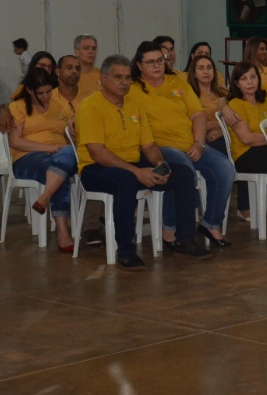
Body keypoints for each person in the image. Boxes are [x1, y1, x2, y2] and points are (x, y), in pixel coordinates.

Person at [75, 54, 209, 270]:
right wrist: (137, 173)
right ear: (103, 78)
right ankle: (126, 251)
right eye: (118, 77)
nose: (124, 82)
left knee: (183, 173)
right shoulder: (90, 106)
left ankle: (185, 239)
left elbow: (149, 146)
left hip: (131, 164)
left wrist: (159, 165)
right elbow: (98, 153)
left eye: (128, 77)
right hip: (95, 169)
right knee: (126, 181)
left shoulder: (134, 104)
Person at [129, 42, 235, 249]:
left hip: (191, 143)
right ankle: (170, 230)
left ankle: (211, 224)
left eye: (160, 60)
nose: (157, 65)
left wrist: (199, 142)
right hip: (159, 148)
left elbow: (197, 114)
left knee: (225, 169)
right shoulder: (132, 89)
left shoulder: (177, 82)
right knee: (183, 171)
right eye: (150, 62)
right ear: (140, 65)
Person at [7, 68, 78, 251]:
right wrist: (49, 148)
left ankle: (45, 197)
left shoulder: (60, 106)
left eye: (48, 91)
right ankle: (63, 231)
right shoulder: (19, 106)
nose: (46, 97)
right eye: (40, 93)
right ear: (30, 90)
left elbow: (72, 136)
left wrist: (74, 127)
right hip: (26, 157)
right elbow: (15, 141)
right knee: (57, 170)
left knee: (66, 156)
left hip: (59, 154)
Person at [226, 60, 267, 221]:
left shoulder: (265, 101)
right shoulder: (236, 104)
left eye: (253, 77)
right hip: (244, 154)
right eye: (244, 79)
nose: (250, 82)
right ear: (236, 83)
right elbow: (246, 138)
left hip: (264, 149)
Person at [187, 55, 228, 152]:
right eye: (201, 68)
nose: (206, 71)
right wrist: (223, 124)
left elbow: (237, 116)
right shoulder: (191, 96)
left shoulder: (223, 92)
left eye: (209, 68)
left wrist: (222, 131)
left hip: (226, 134)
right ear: (194, 73)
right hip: (205, 139)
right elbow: (195, 124)